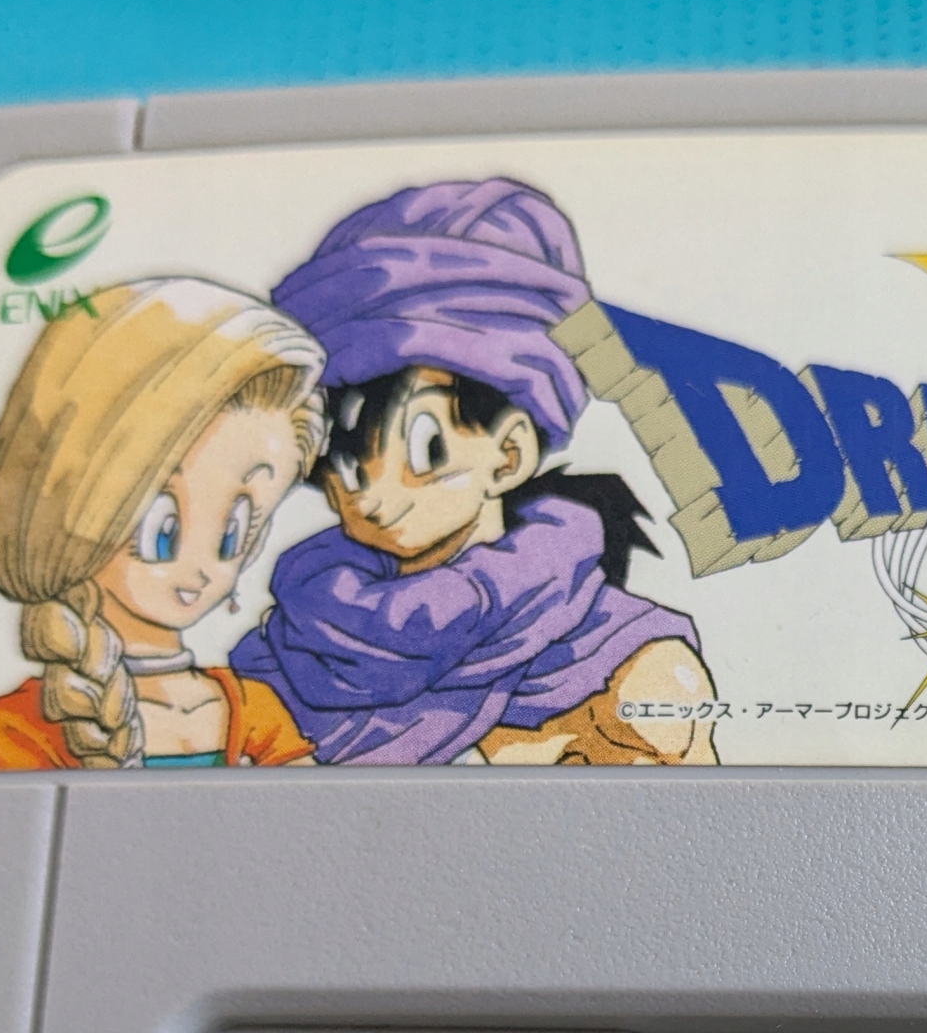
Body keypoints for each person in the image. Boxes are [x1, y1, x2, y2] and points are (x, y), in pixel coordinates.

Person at [228, 178, 718, 766]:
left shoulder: (625, 668)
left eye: (424, 449)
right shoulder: (288, 651)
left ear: (509, 454)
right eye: (344, 463)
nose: (374, 496)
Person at [0, 279, 328, 771]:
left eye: (232, 534)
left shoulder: (254, 714)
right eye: (163, 531)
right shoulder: (10, 734)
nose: (201, 570)